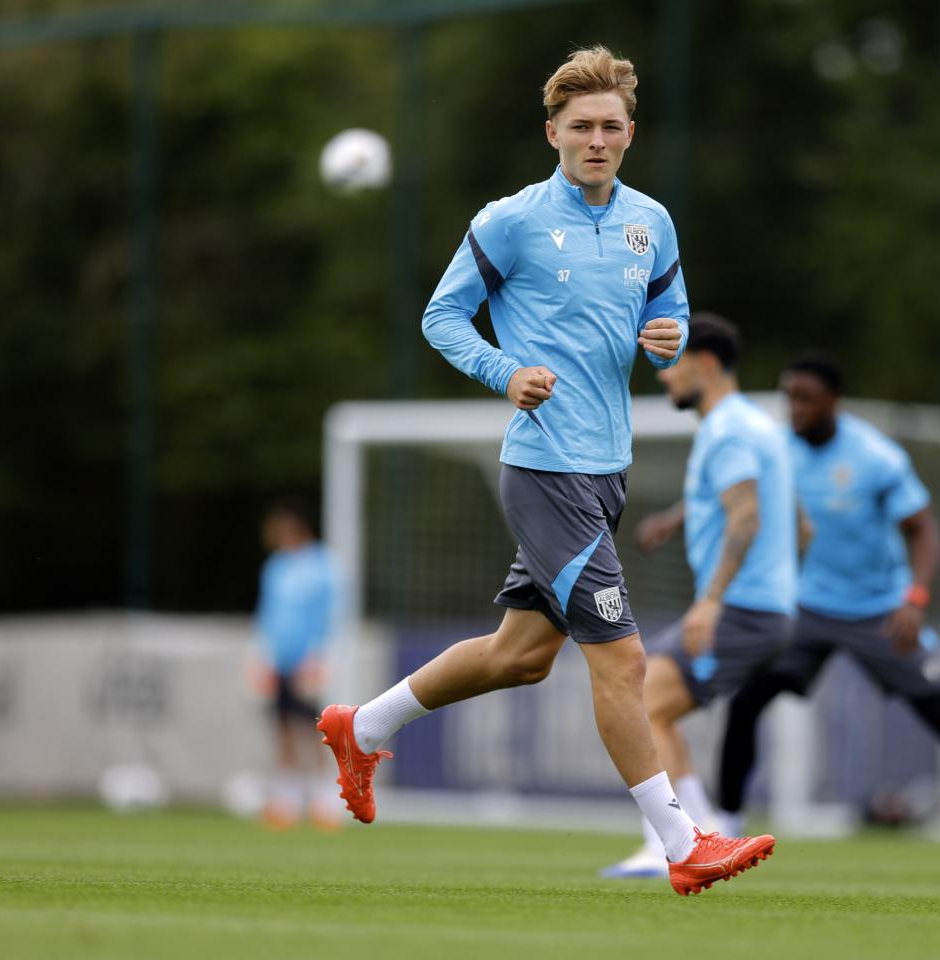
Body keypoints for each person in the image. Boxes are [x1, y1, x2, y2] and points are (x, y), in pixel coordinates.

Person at [316, 46, 774, 897]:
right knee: (625, 661)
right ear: (552, 133)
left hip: (608, 470)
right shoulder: (510, 221)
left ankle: (362, 724)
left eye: (610, 127)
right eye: (580, 128)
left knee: (521, 655)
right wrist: (505, 373)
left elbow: (669, 306)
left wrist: (667, 333)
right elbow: (441, 316)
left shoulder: (652, 222)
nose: (595, 140)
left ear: (630, 134)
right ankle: (681, 844)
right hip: (544, 467)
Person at [713, 355, 940, 840]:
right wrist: (674, 519)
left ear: (832, 402)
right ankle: (726, 823)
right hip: (807, 609)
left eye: (806, 399)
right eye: (790, 397)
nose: (795, 408)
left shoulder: (875, 457)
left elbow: (924, 531)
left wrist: (915, 597)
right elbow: (738, 498)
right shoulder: (777, 449)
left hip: (879, 612)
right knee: (747, 701)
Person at [601, 312, 797, 880]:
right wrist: (678, 518)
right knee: (650, 700)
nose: (663, 376)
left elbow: (747, 515)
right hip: (767, 605)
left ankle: (673, 843)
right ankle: (698, 833)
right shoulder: (756, 425)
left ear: (705, 363)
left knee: (639, 701)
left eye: (671, 363)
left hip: (743, 608)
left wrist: (711, 600)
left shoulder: (728, 430)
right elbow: (792, 519)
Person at [251, 500, 343, 829]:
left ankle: (325, 801)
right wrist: (262, 656)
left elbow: (331, 615)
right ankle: (286, 801)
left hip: (308, 660)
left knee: (312, 728)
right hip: (280, 659)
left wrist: (319, 657)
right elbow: (267, 614)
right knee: (282, 728)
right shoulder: (275, 566)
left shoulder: (323, 564)